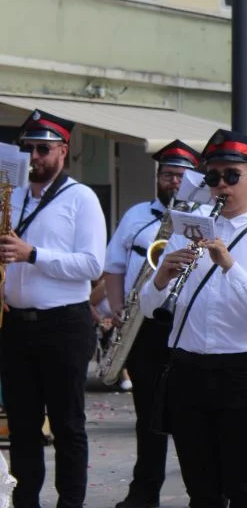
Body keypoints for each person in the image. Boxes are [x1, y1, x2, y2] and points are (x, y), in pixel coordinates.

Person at [139, 129, 247, 508]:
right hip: (188, 370)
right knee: (201, 492)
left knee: (243, 491)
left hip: (241, 372)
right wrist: (161, 277)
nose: (220, 185)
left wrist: (229, 265)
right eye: (213, 177)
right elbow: (146, 307)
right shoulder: (186, 228)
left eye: (231, 176)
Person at [0, 109, 106, 508]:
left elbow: (92, 265)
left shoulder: (81, 198)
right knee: (23, 426)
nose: (35, 157)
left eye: (43, 149)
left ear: (63, 151)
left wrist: (33, 255)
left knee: (67, 424)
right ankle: (26, 500)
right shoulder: (12, 197)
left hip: (63, 324)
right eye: (28, 150)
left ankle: (70, 503)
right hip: (16, 324)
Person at [105, 139, 203, 508]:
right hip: (143, 326)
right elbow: (113, 266)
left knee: (189, 415)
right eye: (167, 174)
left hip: (185, 329)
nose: (173, 181)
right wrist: (116, 309)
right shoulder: (135, 216)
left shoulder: (204, 219)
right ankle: (144, 492)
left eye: (180, 175)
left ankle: (202, 492)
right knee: (147, 414)